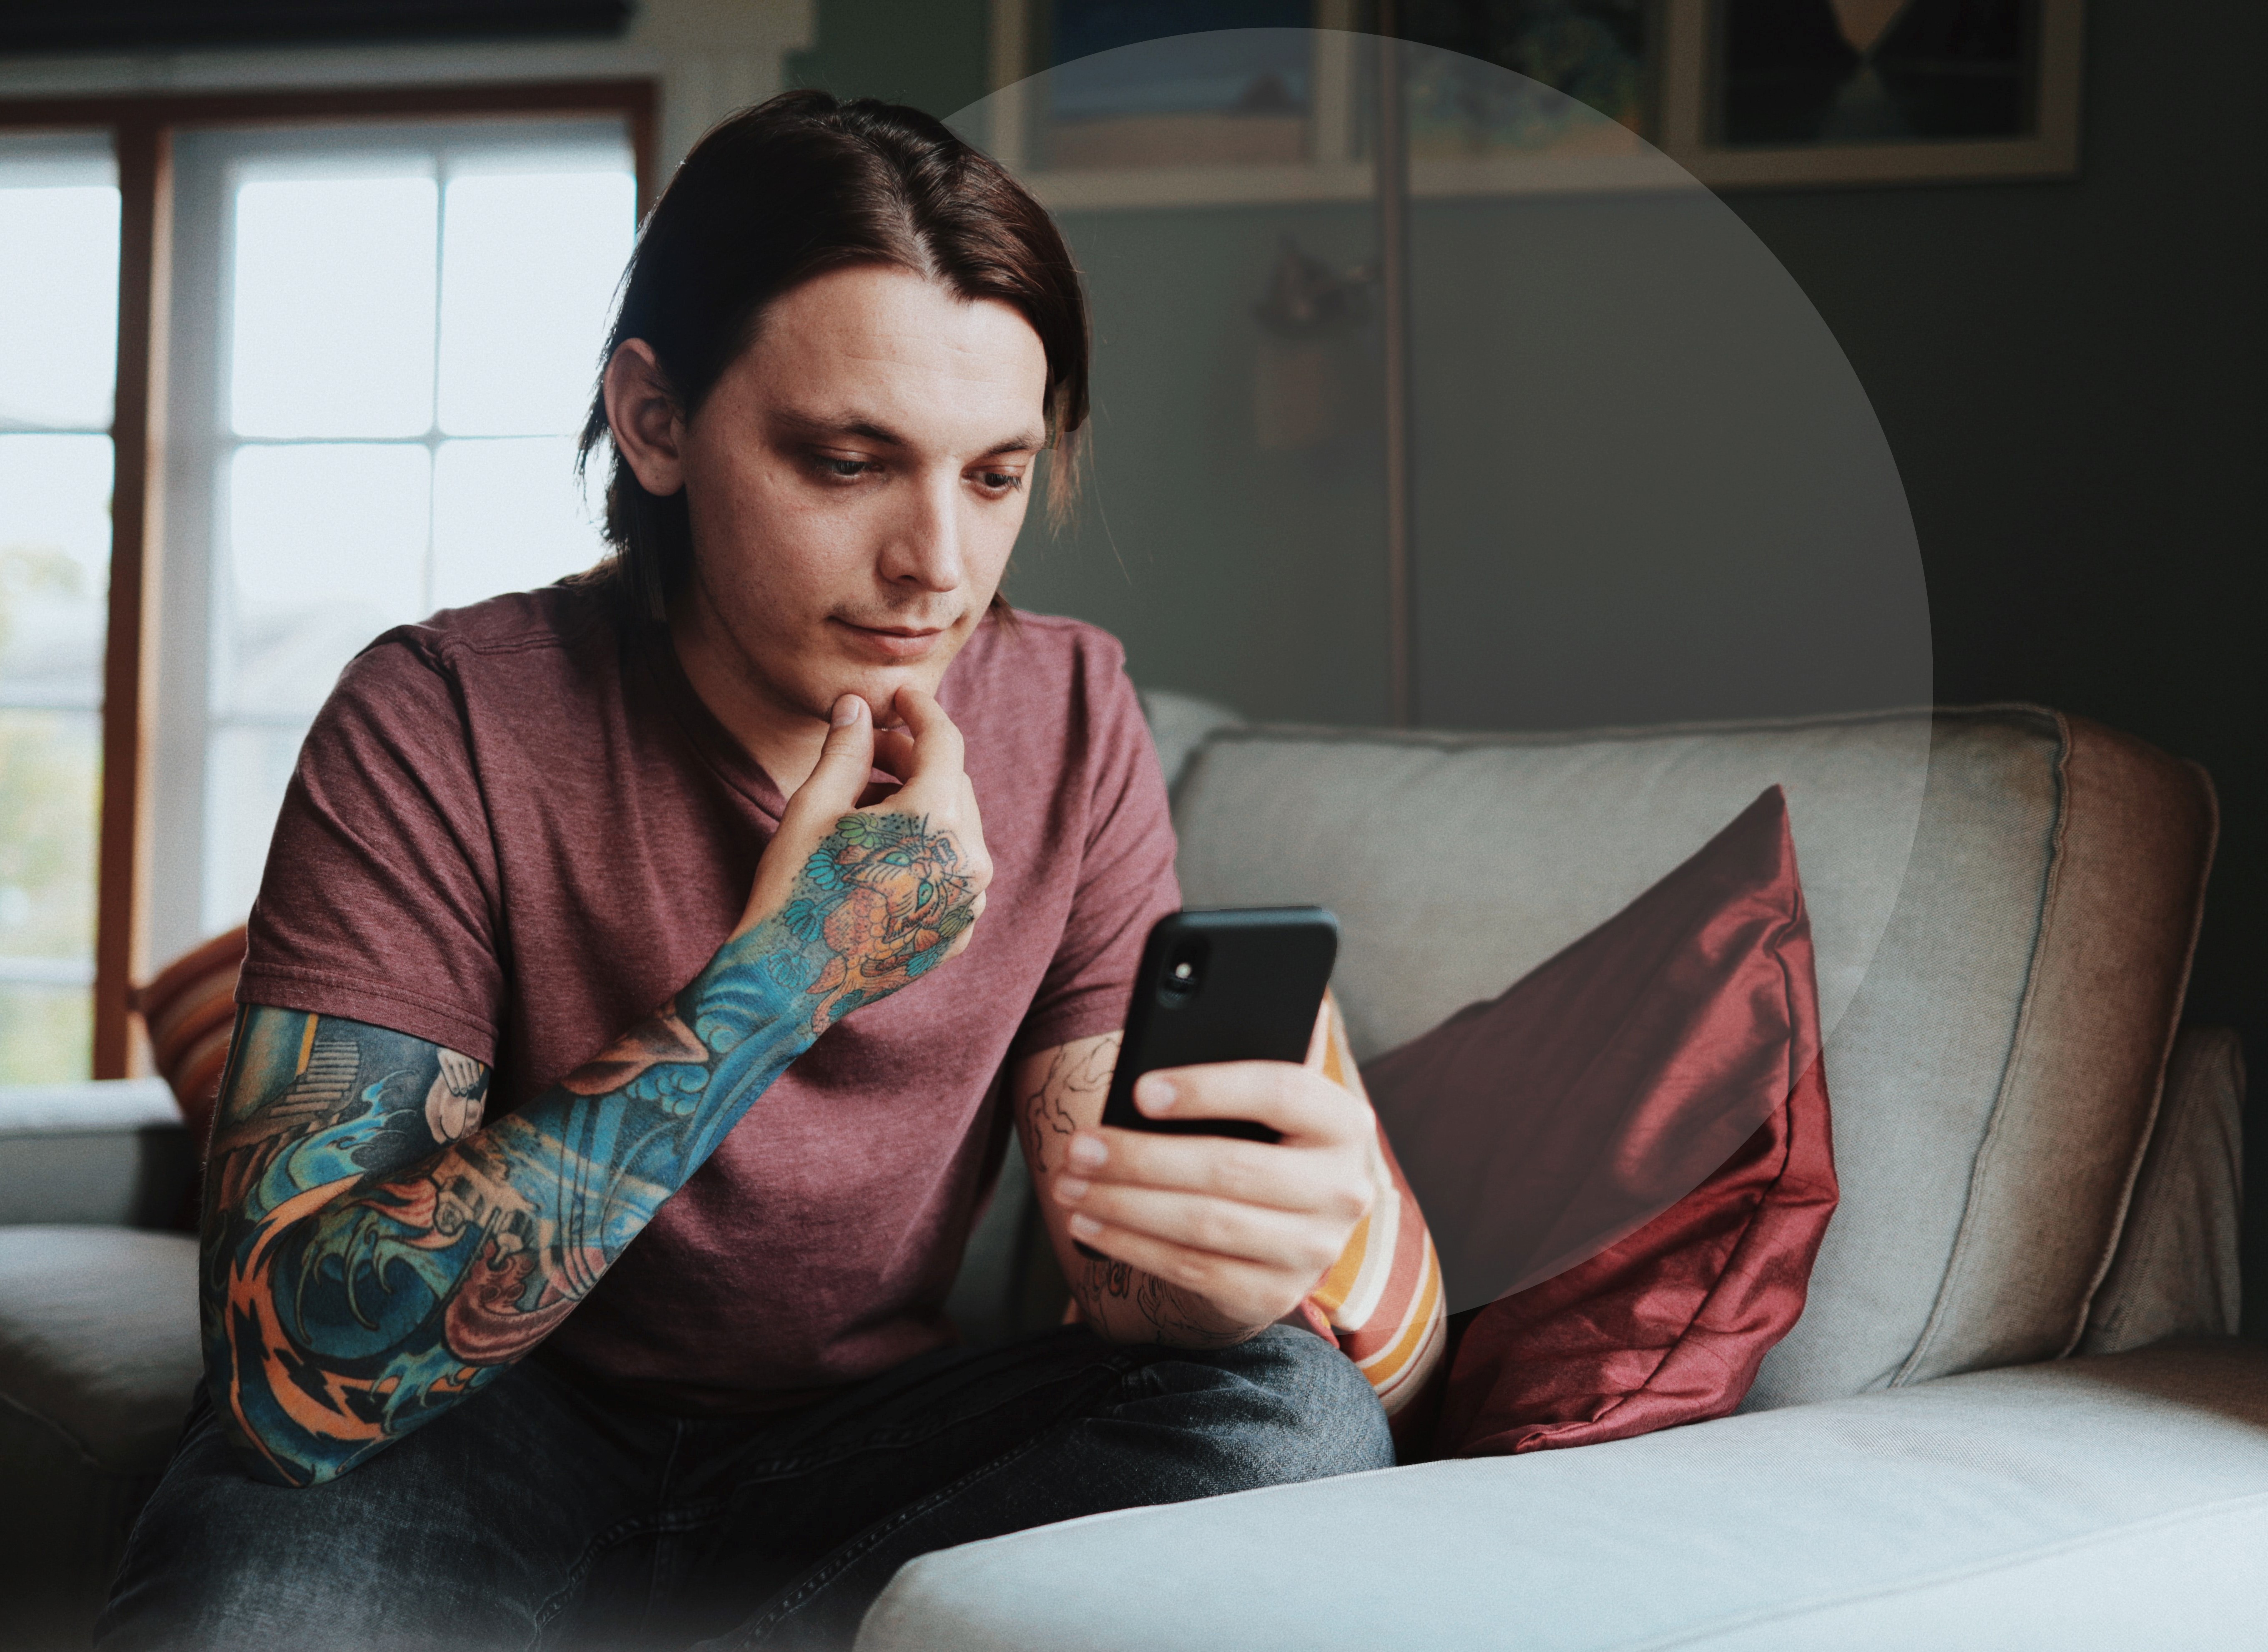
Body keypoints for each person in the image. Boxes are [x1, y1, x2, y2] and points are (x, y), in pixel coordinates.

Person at [97, 91, 1393, 1652]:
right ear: (655, 420)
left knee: (1292, 1407)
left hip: (868, 1450)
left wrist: (1225, 1255)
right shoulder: (439, 715)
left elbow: (1122, 1291)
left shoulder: (1071, 709)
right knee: (259, 1574)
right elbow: (290, 1366)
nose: (938, 566)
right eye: (849, 462)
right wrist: (784, 979)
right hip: (473, 1427)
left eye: (995, 477)